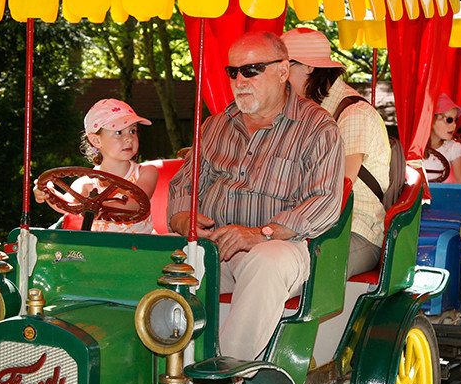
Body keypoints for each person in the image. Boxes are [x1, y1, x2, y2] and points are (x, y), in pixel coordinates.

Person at [167, 31, 344, 360]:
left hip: (281, 246)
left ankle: (229, 373)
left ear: (282, 71)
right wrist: (182, 218)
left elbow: (325, 201)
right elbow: (182, 185)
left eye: (251, 70)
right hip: (213, 244)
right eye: (232, 72)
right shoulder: (216, 125)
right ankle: (151, 369)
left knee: (265, 263)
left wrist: (260, 234)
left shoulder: (318, 127)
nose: (239, 81)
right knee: (151, 265)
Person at [282, 27, 390, 276]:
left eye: (285, 68)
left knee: (291, 269)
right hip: (313, 226)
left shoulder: (353, 115)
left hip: (354, 230)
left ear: (309, 68)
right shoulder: (307, 112)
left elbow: (340, 189)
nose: (280, 78)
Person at [34, 98, 158, 233]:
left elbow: (134, 204)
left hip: (140, 247)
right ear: (96, 140)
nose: (129, 138)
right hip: (99, 248)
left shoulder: (147, 173)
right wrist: (48, 193)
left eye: (132, 131)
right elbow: (68, 205)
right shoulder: (86, 183)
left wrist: (97, 206)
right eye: (119, 132)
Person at [423, 93, 461, 184]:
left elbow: (460, 181)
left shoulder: (452, 148)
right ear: (432, 120)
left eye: (456, 120)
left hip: (439, 195)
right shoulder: (415, 146)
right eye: (449, 120)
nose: (454, 125)